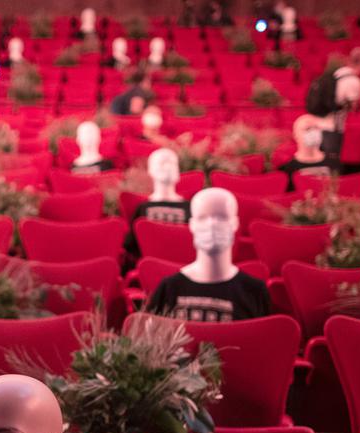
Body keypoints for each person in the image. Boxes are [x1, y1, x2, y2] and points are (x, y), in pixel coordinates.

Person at [148, 188, 270, 322]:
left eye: (221, 217)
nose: (212, 224)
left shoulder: (253, 291)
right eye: (202, 217)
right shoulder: (170, 288)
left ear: (235, 223)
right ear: (192, 225)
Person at [279, 114, 340, 191]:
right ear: (295, 135)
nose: (313, 132)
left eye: (316, 128)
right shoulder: (288, 169)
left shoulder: (335, 163)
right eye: (307, 129)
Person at [134, 148, 190, 225]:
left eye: (172, 163)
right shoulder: (143, 208)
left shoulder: (190, 207)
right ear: (151, 170)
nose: (168, 167)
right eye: (162, 163)